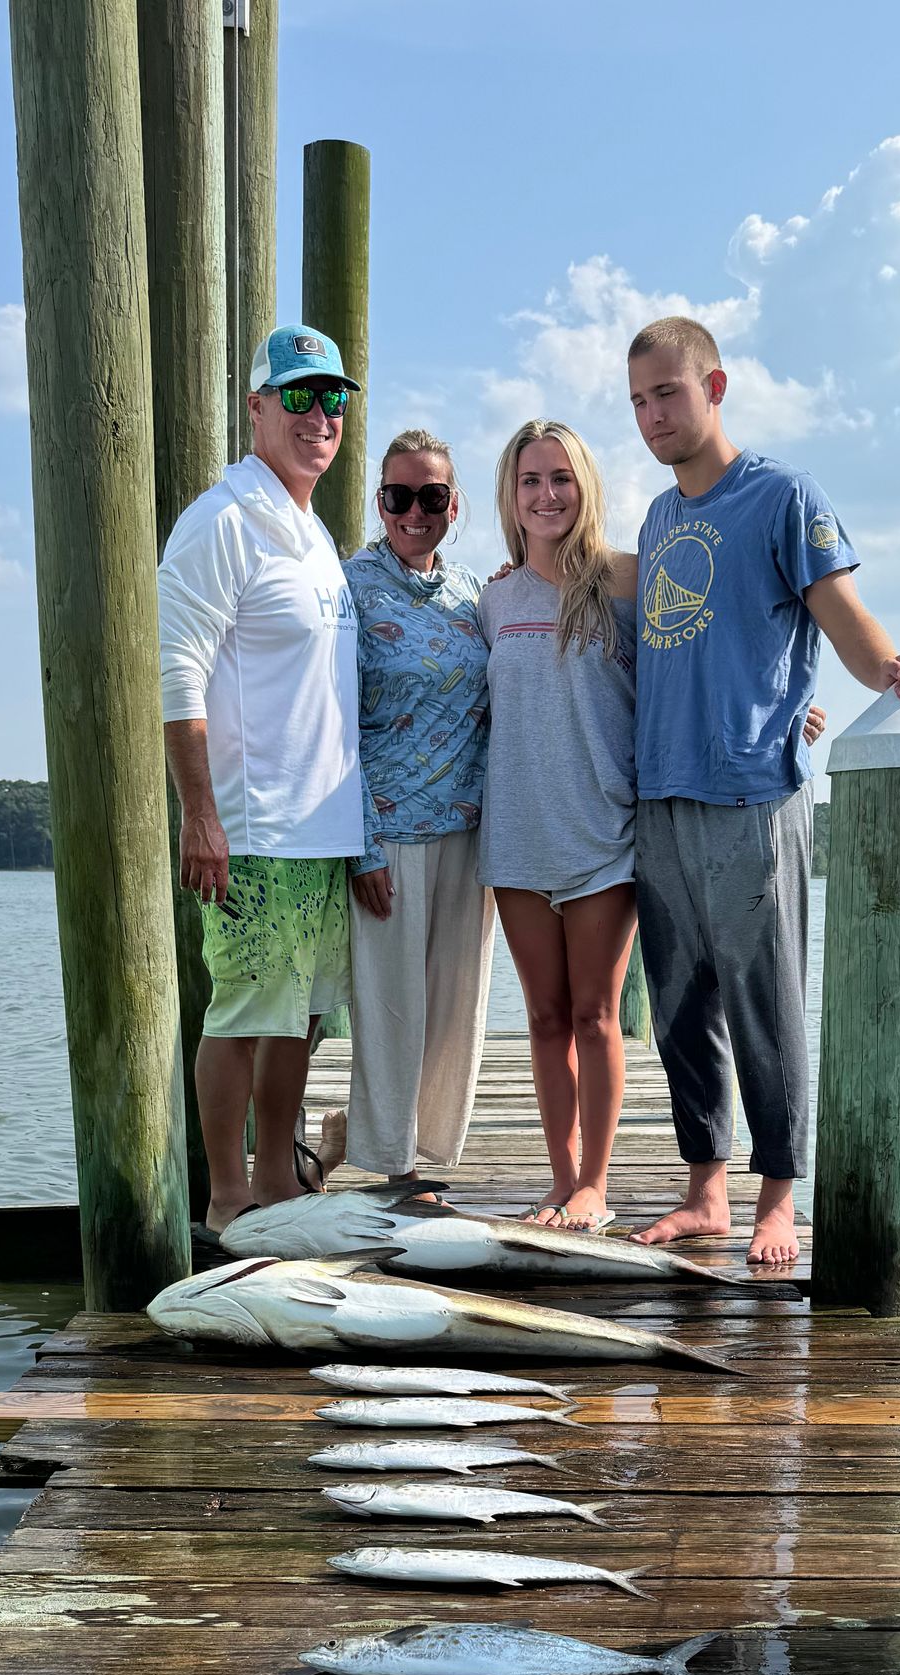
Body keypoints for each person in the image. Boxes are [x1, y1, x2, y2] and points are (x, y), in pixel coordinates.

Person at [624, 315, 900, 1268]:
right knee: (679, 1000)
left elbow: (840, 618)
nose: (652, 416)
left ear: (714, 388)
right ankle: (704, 1190)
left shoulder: (783, 497)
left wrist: (893, 667)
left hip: (754, 787)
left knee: (765, 995)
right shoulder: (657, 516)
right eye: (638, 401)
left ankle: (777, 1195)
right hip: (662, 792)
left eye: (667, 393)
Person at [156, 323, 362, 1231]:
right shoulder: (223, 521)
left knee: (298, 1015)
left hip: (321, 829)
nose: (319, 416)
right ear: (256, 408)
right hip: (254, 824)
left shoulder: (313, 533)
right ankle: (226, 1197)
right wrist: (201, 814)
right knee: (241, 1010)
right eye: (299, 396)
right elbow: (177, 673)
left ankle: (279, 1179)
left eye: (334, 398)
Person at [477, 420, 641, 1230]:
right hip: (515, 836)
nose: (547, 495)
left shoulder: (627, 582)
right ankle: (559, 1173)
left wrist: (790, 710)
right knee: (544, 1017)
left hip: (604, 833)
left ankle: (595, 1185)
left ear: (585, 488)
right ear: (512, 495)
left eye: (561, 479)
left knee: (595, 1015)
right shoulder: (492, 599)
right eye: (530, 480)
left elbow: (703, 664)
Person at [341, 431, 493, 1180]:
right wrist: (361, 846)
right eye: (399, 496)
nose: (414, 512)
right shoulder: (349, 587)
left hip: (469, 833)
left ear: (452, 505)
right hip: (389, 831)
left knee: (451, 1012)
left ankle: (428, 1162)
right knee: (392, 1011)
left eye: (431, 497)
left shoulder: (475, 594)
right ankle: (385, 1166)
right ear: (380, 502)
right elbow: (333, 726)